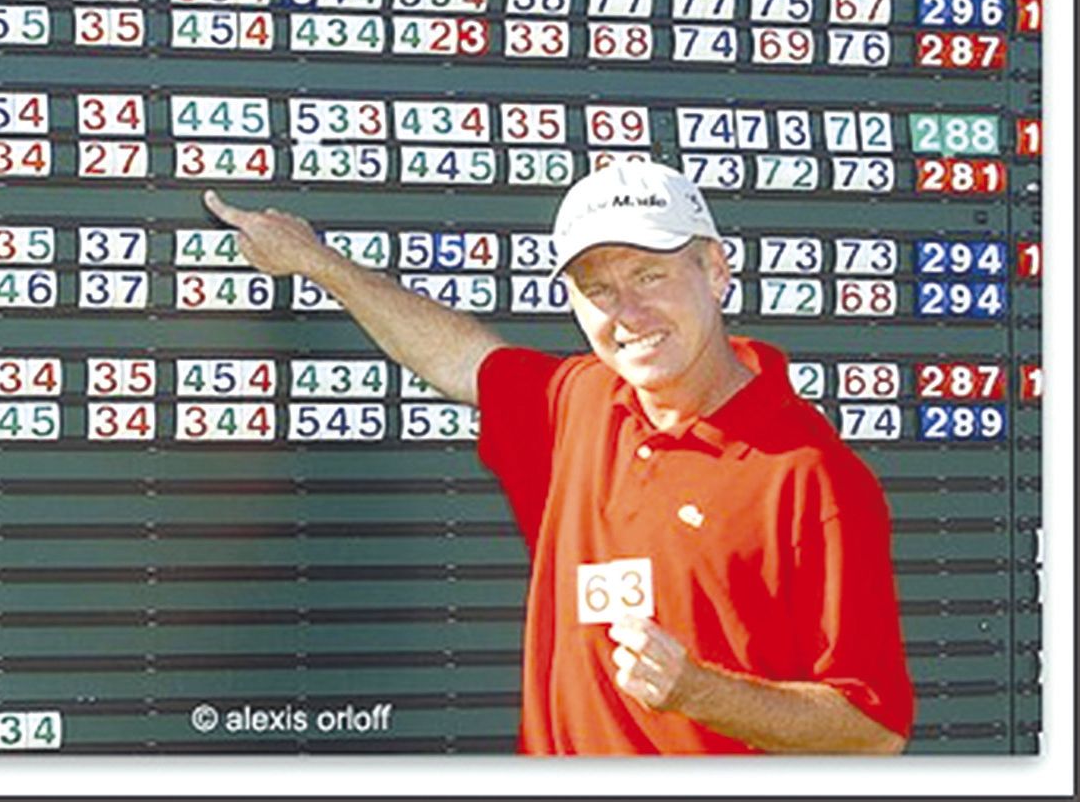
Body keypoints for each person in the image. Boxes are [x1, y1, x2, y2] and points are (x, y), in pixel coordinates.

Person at [201, 160, 913, 755]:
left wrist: (698, 691)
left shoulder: (810, 476)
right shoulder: (580, 400)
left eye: (649, 275)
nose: (625, 311)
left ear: (716, 270)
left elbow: (874, 731)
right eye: (597, 288)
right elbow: (458, 357)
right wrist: (314, 262)